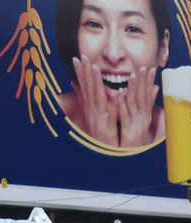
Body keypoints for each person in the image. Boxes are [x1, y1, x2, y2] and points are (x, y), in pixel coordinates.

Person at [56, 0, 171, 148]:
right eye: (94, 24)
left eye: (133, 28)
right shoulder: (43, 117)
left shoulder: (183, 133)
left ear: (163, 48)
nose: (113, 54)